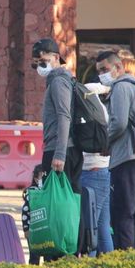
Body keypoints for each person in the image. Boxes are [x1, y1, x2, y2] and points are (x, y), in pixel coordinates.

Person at [96, 51, 135, 250]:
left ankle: (126, 257)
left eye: (105, 69)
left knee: (123, 213)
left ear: (118, 67)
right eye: (99, 71)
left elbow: (119, 123)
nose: (102, 74)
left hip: (129, 158)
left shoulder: (121, 87)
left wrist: (105, 143)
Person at [31, 38, 83, 191]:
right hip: (64, 148)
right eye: (36, 63)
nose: (40, 67)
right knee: (66, 199)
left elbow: (64, 116)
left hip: (61, 150)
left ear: (55, 57)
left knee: (57, 200)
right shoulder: (60, 80)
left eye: (43, 61)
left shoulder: (58, 82)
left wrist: (60, 154)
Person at [79, 82, 114, 256]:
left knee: (89, 227)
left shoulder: (83, 114)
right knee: (102, 227)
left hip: (90, 173)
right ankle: (111, 265)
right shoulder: (101, 110)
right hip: (103, 171)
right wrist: (106, 88)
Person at [21, 164, 45, 265]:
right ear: (35, 179)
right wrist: (26, 229)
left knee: (49, 255)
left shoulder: (49, 192)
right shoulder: (32, 192)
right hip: (33, 230)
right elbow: (25, 211)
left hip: (45, 229)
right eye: (41, 177)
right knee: (34, 255)